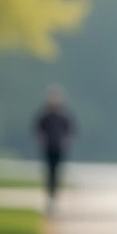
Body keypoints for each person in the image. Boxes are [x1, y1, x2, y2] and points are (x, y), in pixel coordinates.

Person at [33, 85, 76, 216]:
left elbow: (70, 131)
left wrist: (66, 142)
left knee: (56, 173)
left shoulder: (63, 116)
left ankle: (54, 195)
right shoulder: (45, 116)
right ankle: (50, 196)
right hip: (48, 147)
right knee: (49, 172)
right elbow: (38, 130)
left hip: (58, 148)